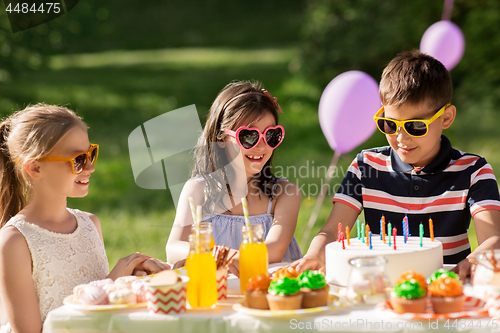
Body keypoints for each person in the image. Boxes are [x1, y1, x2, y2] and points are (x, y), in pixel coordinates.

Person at [292, 50, 500, 282]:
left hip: (447, 287)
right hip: (379, 286)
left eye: (415, 127)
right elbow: (332, 231)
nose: (401, 138)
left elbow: (493, 239)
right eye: (390, 124)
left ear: (446, 118)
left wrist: (472, 262)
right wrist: (314, 255)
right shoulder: (365, 166)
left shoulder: (473, 171)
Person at [0, 104, 168, 333]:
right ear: (35, 167)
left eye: (91, 154)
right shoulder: (15, 241)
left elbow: (97, 304)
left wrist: (131, 281)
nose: (90, 167)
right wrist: (112, 281)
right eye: (78, 159)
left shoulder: (89, 224)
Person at [166, 81, 302, 275]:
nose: (262, 146)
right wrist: (218, 256)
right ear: (221, 139)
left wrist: (219, 258)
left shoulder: (284, 194)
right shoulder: (197, 191)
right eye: (249, 136)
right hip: (216, 295)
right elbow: (173, 248)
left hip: (269, 293)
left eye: (270, 135)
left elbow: (275, 250)